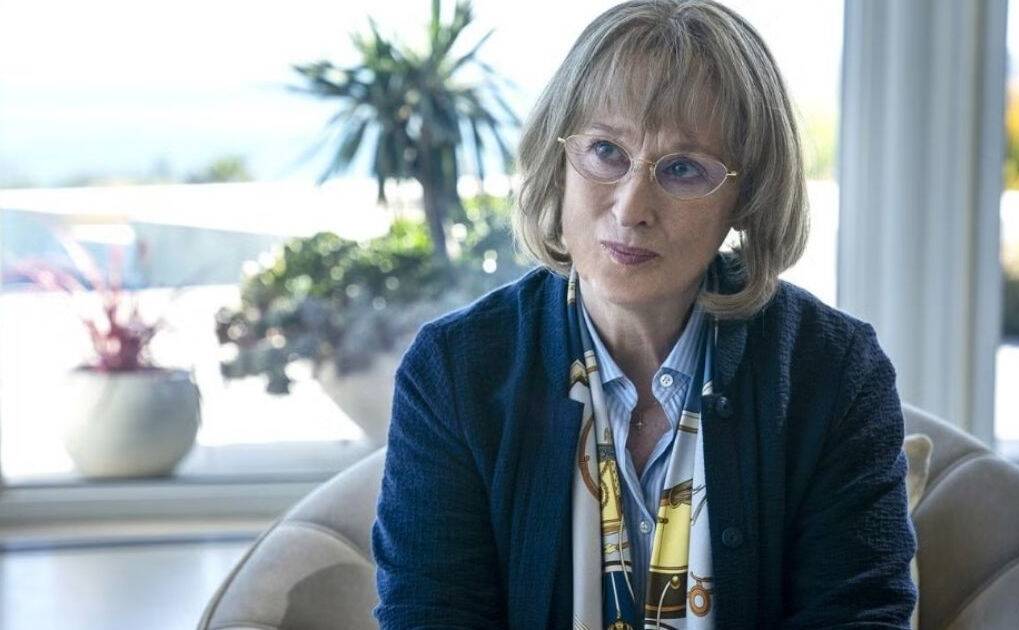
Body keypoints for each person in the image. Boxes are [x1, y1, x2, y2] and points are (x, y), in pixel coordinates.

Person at [372, 0, 917, 628]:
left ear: (746, 196)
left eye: (682, 169)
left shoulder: (836, 371)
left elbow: (858, 616)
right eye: (606, 150)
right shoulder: (452, 371)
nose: (632, 208)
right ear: (558, 160)